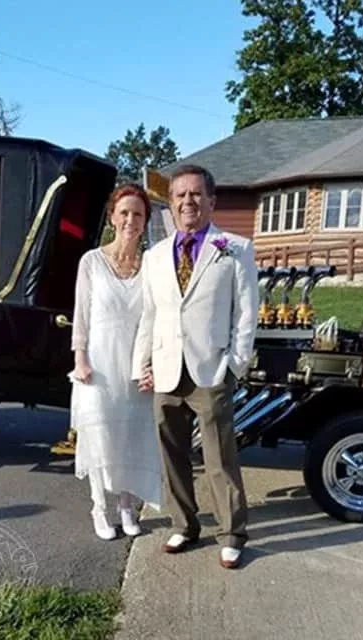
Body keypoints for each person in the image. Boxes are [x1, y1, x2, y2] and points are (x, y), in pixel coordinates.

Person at [132, 164, 259, 568]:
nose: (188, 201)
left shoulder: (235, 248)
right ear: (170, 203)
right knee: (172, 454)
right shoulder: (154, 256)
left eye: (196, 194)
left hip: (211, 370)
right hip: (167, 369)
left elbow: (246, 313)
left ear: (211, 200)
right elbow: (150, 314)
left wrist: (234, 365)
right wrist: (142, 365)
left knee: (220, 456)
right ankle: (184, 525)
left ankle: (232, 532)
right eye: (180, 195)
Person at [69, 183, 162, 541]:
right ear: (112, 217)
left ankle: (127, 506)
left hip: (135, 368)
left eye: (138, 214)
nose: (130, 220)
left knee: (132, 439)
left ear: (145, 221)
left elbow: (157, 318)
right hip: (98, 367)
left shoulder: (152, 265)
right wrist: (80, 359)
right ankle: (99, 508)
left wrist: (152, 365)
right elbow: (81, 316)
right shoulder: (91, 262)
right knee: (100, 437)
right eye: (124, 212)